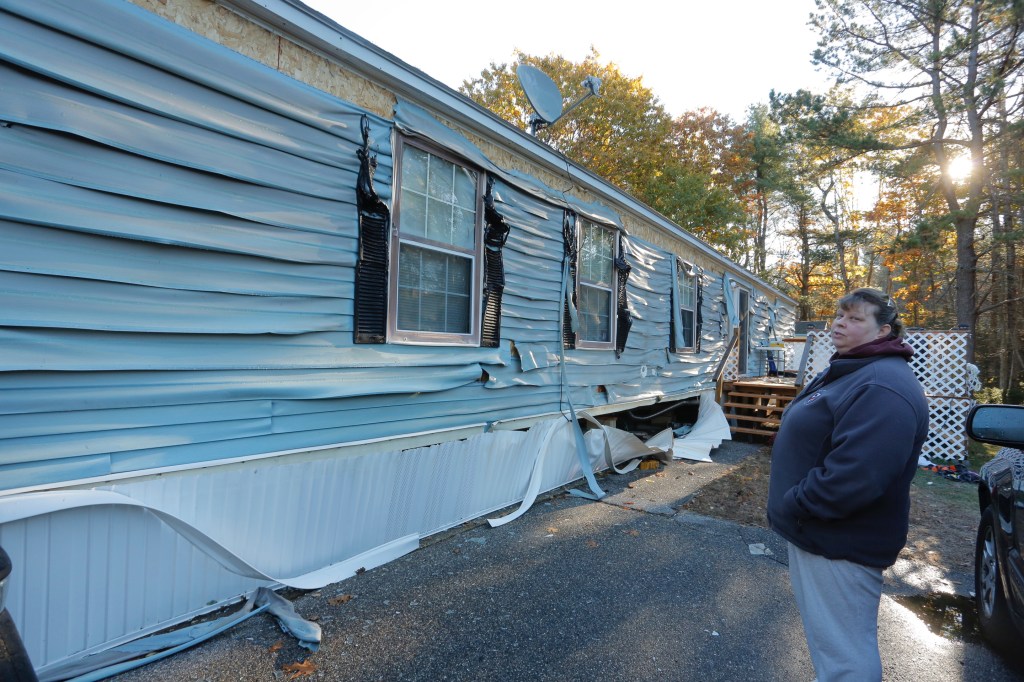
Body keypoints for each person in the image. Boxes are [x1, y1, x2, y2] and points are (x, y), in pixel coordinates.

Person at [767, 288, 929, 681]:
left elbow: (854, 478)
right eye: (840, 316)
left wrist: (796, 504)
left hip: (838, 542)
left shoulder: (881, 386)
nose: (840, 323)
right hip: (819, 535)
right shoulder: (853, 368)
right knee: (832, 645)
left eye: (855, 318)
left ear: (883, 331)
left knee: (844, 655)